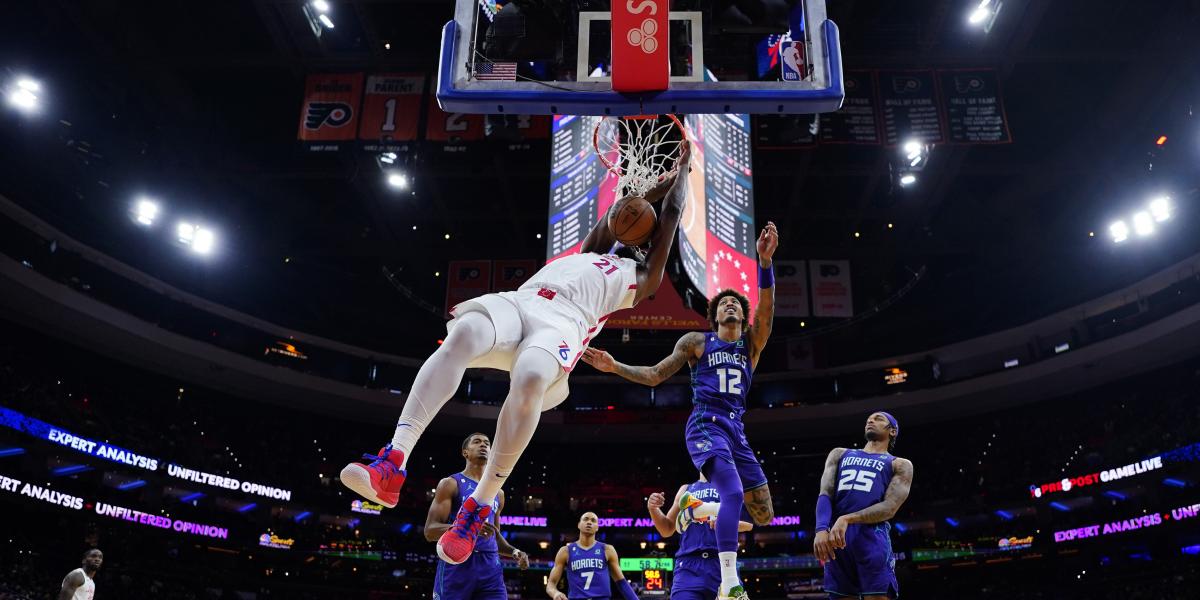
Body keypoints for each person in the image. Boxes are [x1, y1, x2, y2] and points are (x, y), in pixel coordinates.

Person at [342, 141, 693, 564]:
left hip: (565, 324)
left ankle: (478, 505)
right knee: (463, 333)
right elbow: (623, 209)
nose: (628, 218)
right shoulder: (595, 249)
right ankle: (393, 462)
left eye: (639, 221)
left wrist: (685, 171)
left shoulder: (644, 277)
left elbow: (671, 215)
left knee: (529, 378)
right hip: (523, 300)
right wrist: (657, 184)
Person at [583, 221, 779, 600]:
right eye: (723, 303)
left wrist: (766, 262)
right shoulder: (696, 342)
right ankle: (730, 580)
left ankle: (707, 524)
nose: (730, 304)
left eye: (736, 303)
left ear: (743, 315)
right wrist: (615, 366)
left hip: (736, 430)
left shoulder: (751, 345)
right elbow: (656, 375)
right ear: (714, 315)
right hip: (706, 424)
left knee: (764, 513)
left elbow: (767, 308)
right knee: (732, 493)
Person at [812, 412, 914, 600]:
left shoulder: (899, 464)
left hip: (871, 535)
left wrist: (848, 518)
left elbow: (890, 507)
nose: (871, 420)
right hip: (837, 537)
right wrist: (820, 529)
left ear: (892, 431)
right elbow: (825, 493)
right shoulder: (839, 453)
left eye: (878, 418)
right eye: (869, 419)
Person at [426, 433, 530, 599]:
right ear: (465, 452)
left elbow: (493, 536)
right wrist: (467, 527)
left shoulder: (499, 493)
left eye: (487, 443)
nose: (483, 445)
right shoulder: (450, 483)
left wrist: (514, 551)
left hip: (490, 567)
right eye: (477, 442)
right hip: (457, 562)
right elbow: (430, 531)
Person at [646, 480, 753, 600]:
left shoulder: (732, 483)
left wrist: (725, 522)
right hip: (688, 565)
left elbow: (749, 524)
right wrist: (653, 509)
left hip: (723, 563)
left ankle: (692, 513)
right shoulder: (685, 489)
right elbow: (666, 529)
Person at [546, 512, 639, 600]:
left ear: (597, 527)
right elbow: (551, 584)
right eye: (585, 519)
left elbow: (621, 582)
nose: (589, 522)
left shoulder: (607, 550)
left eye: (593, 520)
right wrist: (555, 593)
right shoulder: (565, 551)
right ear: (579, 525)